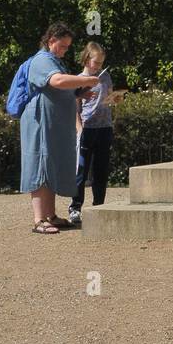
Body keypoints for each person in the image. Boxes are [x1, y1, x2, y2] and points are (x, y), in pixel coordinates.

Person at [19, 22, 100, 234]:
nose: (65, 50)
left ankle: (50, 215)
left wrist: (79, 94)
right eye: (62, 46)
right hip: (40, 123)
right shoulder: (42, 60)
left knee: (50, 165)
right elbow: (56, 81)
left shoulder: (54, 60)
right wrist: (86, 79)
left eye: (67, 47)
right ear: (51, 40)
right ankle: (39, 220)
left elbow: (60, 88)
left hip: (52, 123)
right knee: (40, 166)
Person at [68, 41, 121, 227]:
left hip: (104, 126)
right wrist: (79, 127)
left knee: (101, 169)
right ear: (87, 59)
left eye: (101, 63)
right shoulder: (78, 79)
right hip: (87, 128)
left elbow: (110, 96)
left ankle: (99, 205)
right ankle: (75, 207)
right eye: (96, 63)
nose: (98, 66)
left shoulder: (105, 77)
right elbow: (74, 106)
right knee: (81, 170)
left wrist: (115, 98)